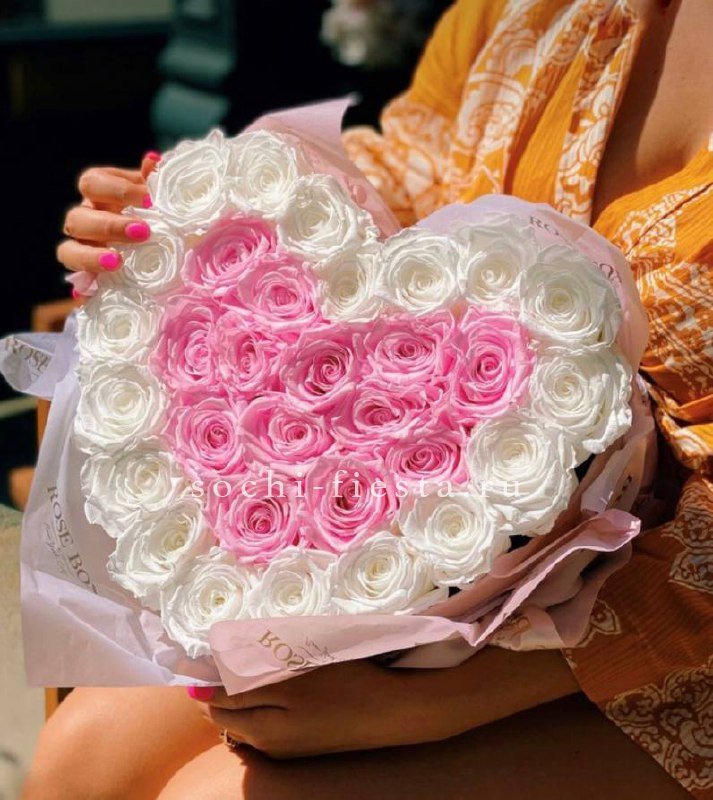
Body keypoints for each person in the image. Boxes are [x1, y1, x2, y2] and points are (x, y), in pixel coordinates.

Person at [26, 0, 712, 797]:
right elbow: (407, 174)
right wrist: (192, 223)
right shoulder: (531, 12)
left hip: (676, 635)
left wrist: (455, 697)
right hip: (446, 584)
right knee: (82, 759)